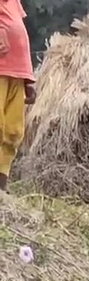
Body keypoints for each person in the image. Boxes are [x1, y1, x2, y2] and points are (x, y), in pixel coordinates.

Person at [0, 0, 34, 192]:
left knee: (13, 131)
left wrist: (29, 78)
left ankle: (1, 182)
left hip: (18, 72)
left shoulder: (14, 2)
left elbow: (22, 38)